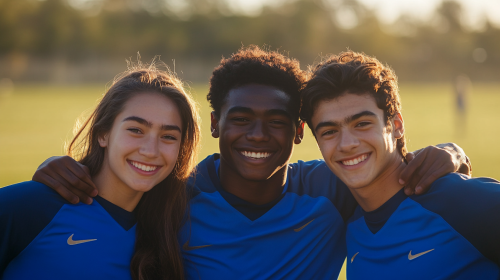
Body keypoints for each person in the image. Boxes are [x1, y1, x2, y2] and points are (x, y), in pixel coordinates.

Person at [33, 46, 471, 279]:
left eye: (277, 122)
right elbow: (109, 201)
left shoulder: (333, 191)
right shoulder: (173, 196)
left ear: (300, 133)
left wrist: (453, 152)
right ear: (216, 123)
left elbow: (387, 166)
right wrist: (58, 172)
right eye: (241, 119)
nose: (258, 136)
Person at [300, 51, 499, 279]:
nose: (347, 144)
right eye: (329, 132)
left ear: (396, 125)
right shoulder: (345, 221)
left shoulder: (456, 200)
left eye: (362, 123)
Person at [0, 64, 200, 280]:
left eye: (169, 136)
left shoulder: (174, 228)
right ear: (103, 134)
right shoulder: (35, 205)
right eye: (136, 130)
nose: (151, 151)